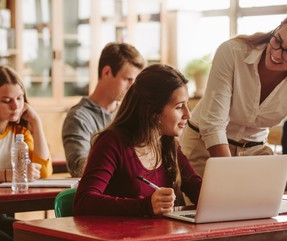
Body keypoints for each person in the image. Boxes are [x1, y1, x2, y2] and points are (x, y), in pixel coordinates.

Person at [180, 9, 287, 207]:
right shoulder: (232, 52)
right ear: (277, 29)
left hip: (253, 153)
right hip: (204, 147)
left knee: (257, 224)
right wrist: (227, 179)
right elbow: (213, 125)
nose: (277, 54)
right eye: (278, 41)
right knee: (206, 217)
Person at [73, 64, 201, 217]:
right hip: (121, 238)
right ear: (153, 112)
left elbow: (197, 189)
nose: (188, 114)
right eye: (179, 107)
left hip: (160, 237)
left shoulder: (168, 144)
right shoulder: (111, 143)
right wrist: (145, 206)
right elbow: (83, 202)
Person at [0, 66, 52, 241]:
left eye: (19, 98)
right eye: (6, 101)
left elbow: (42, 171)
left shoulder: (20, 132)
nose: (15, 106)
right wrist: (8, 174)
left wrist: (36, 122)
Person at [62, 42, 146, 177]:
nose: (132, 88)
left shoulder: (130, 113)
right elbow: (78, 167)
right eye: (127, 79)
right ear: (106, 72)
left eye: (134, 82)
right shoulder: (78, 117)